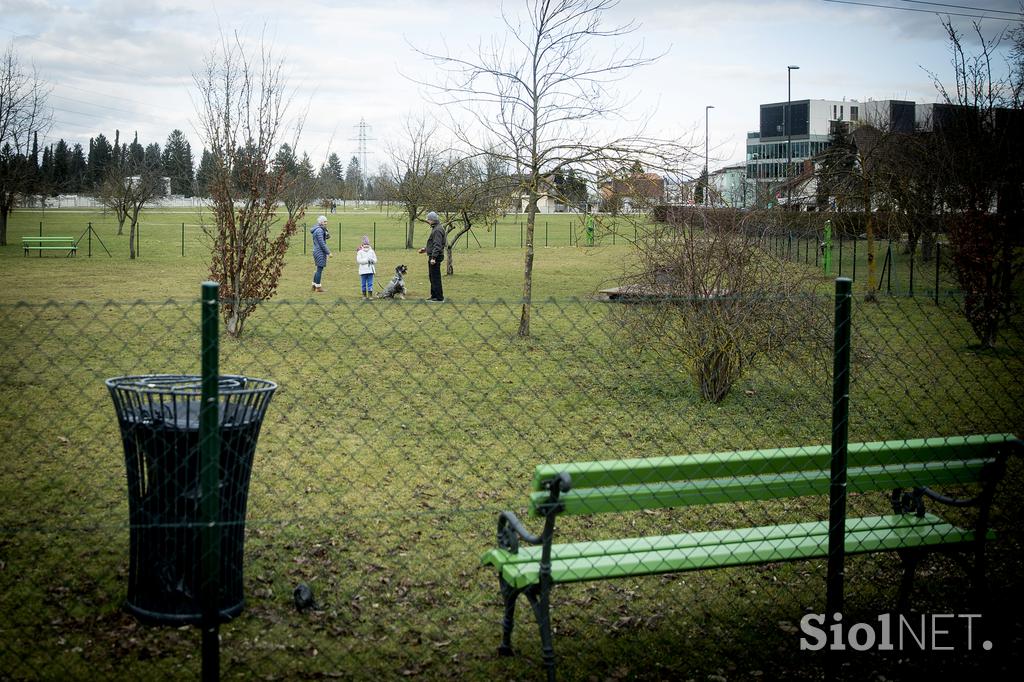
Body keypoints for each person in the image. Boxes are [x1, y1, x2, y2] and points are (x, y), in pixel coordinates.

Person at [418, 211, 446, 302]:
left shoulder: (437, 230)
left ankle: (438, 297)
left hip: (436, 257)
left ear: (432, 220)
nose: (428, 221)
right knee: (432, 276)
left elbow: (437, 245)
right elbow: (433, 244)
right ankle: (434, 295)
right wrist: (425, 249)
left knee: (435, 277)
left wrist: (433, 258)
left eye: (428, 220)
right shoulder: (436, 228)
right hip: (434, 255)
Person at [311, 216, 331, 293]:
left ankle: (314, 285)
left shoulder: (319, 229)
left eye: (326, 221)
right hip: (319, 251)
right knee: (319, 269)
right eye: (324, 222)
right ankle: (318, 287)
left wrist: (326, 232)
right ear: (321, 222)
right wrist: (328, 252)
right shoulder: (319, 230)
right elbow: (322, 243)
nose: (326, 223)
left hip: (317, 250)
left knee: (318, 269)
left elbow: (327, 237)